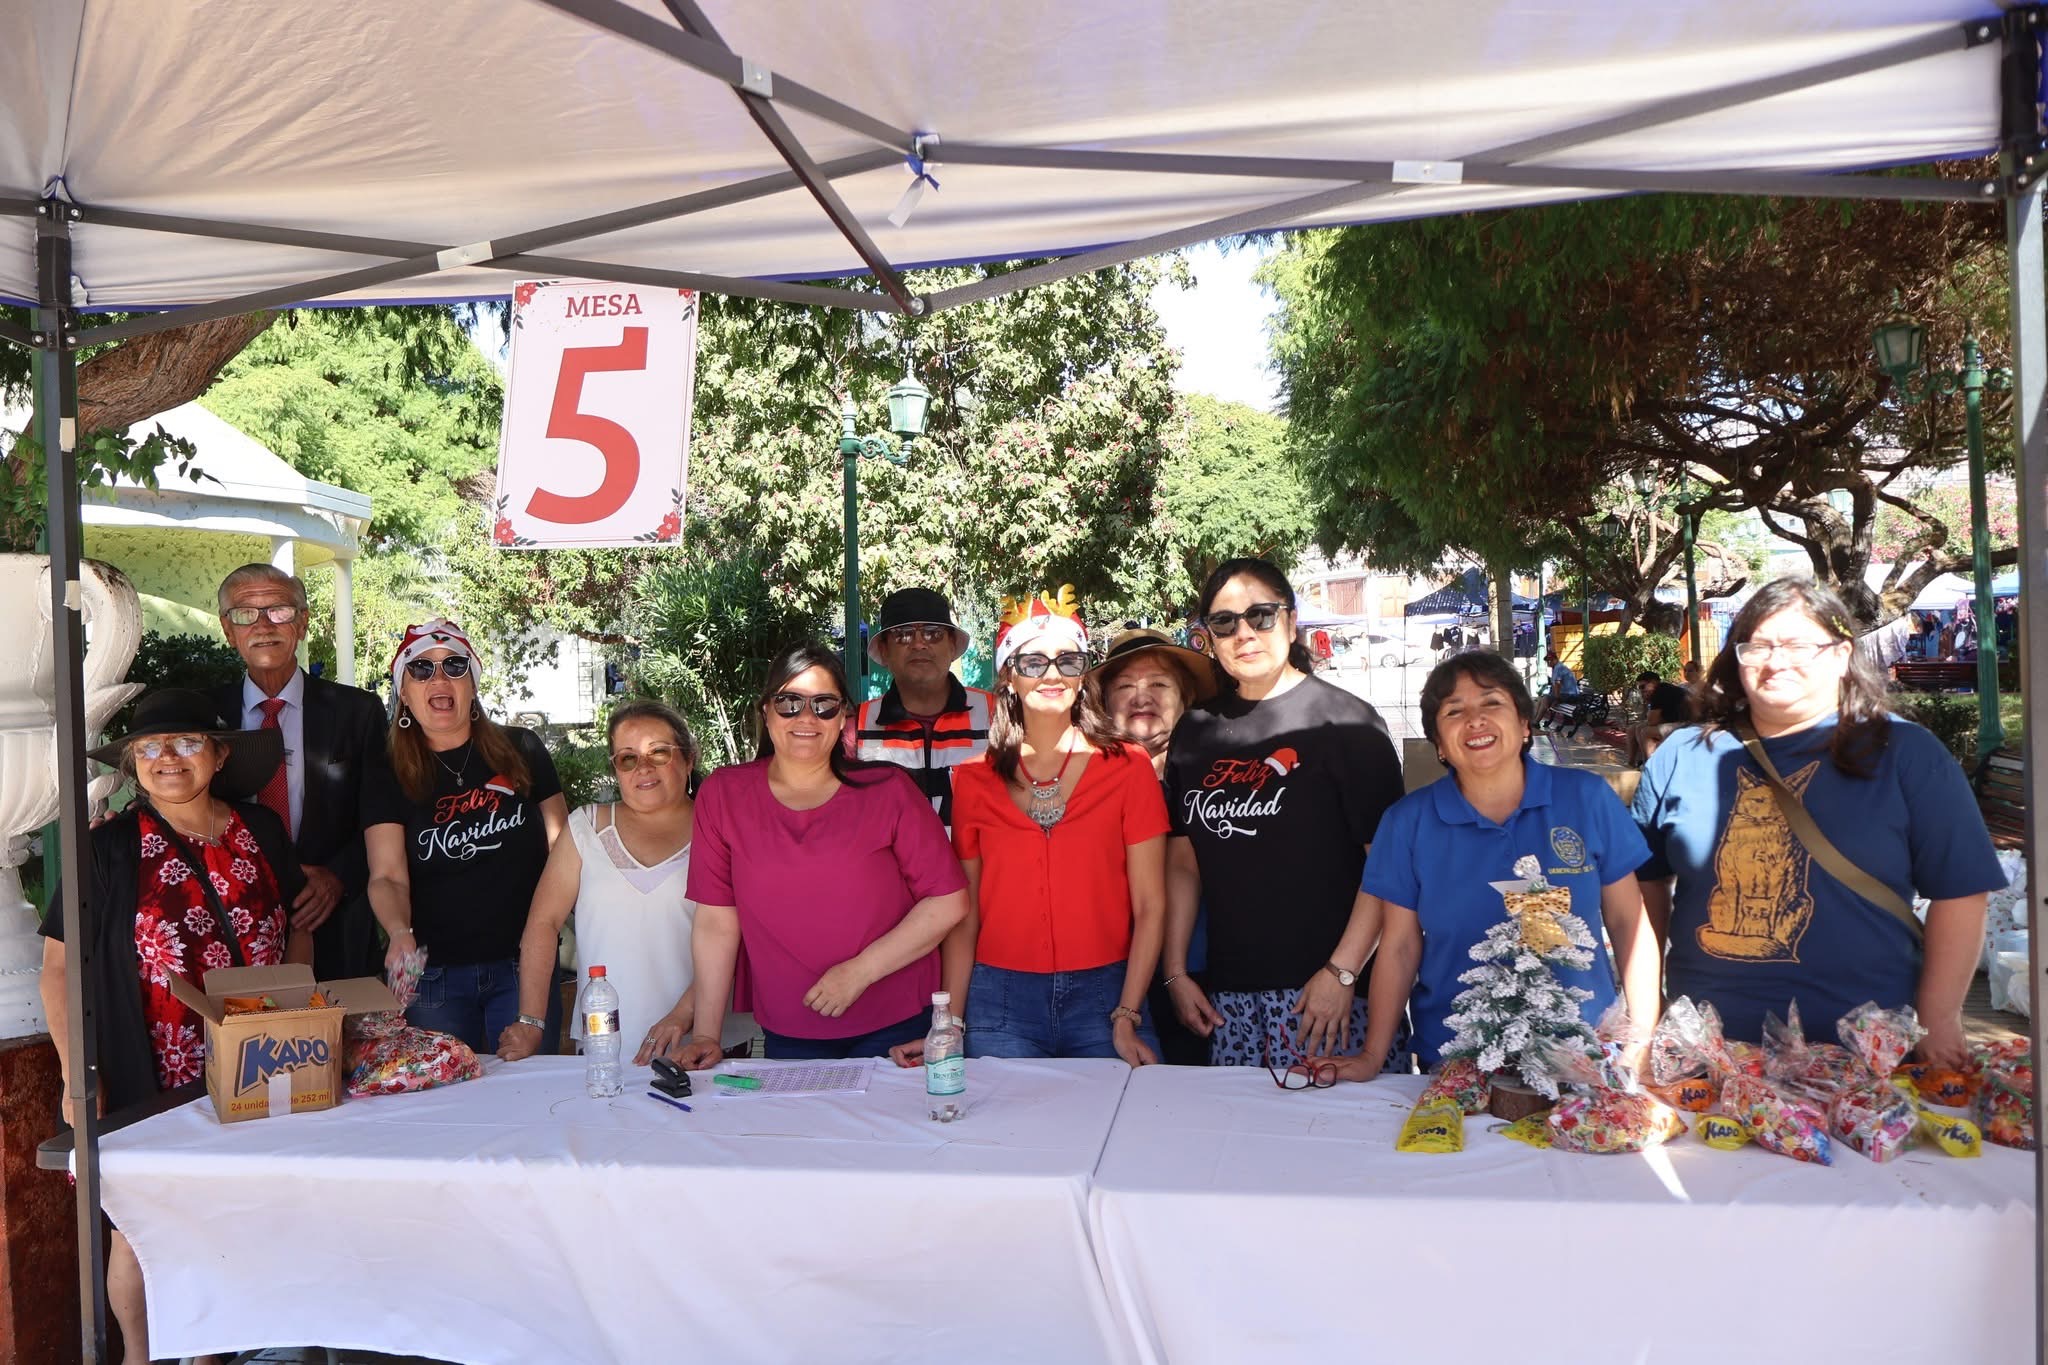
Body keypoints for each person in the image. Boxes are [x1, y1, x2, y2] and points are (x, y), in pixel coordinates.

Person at [39, 689, 309, 1365]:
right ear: (132, 762)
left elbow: (297, 928)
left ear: (218, 755)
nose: (168, 758)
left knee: (242, 1212)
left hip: (260, 1063)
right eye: (150, 748)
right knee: (141, 1226)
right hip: (147, 1067)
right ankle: (143, 1356)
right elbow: (58, 966)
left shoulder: (262, 830)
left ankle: (213, 1349)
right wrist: (79, 1071)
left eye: (187, 743)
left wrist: (302, 1019)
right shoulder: (105, 848)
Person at [1632, 578, 2005, 1065]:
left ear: (1840, 654)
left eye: (1799, 645)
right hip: (1710, 1049)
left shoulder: (1905, 753)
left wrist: (1940, 1018)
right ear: (1737, 657)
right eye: (1758, 645)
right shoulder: (1683, 754)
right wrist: (1646, 1014)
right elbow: (1642, 887)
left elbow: (1961, 891)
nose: (1777, 661)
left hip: (1871, 1050)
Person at [1320, 654, 1660, 1081]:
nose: (1475, 721)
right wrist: (1372, 1056)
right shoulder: (1408, 822)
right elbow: (1401, 946)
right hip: (1456, 1059)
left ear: (1524, 725)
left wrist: (1641, 1040)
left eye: (1491, 703)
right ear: (1440, 745)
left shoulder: (1588, 799)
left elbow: (1630, 922)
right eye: (1454, 711)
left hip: (1584, 1054)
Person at [895, 593, 1169, 1067]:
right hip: (999, 996)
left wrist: (1126, 1012)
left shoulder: (1129, 767)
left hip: (1107, 993)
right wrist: (950, 1024)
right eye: (1033, 661)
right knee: (1000, 1138)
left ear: (1083, 675)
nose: (1051, 674)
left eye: (1068, 660)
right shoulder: (973, 779)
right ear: (1008, 675)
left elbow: (1151, 905)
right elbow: (967, 915)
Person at [1162, 557, 1408, 1070]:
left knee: (1338, 1145)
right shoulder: (1195, 731)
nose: (1244, 633)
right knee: (1242, 1148)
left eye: (1261, 615)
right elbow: (1184, 865)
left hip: (1330, 997)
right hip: (1229, 999)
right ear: (1207, 636)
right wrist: (1177, 971)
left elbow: (1389, 871)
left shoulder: (1347, 724)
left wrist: (1342, 973)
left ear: (1292, 621)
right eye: (1224, 622)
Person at [674, 643, 969, 1066]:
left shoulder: (889, 791)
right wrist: (705, 1032)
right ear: (766, 712)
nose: (806, 718)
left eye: (824, 704)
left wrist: (860, 972)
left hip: (896, 1024)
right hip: (790, 1027)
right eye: (789, 702)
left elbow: (949, 900)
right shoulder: (723, 794)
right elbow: (717, 922)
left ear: (844, 715)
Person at [498, 701, 751, 1064]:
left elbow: (739, 936)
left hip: (708, 1042)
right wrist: (531, 1022)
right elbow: (542, 923)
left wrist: (684, 1014)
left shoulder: (723, 829)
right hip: (607, 1045)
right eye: (627, 758)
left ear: (689, 758)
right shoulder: (585, 827)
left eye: (659, 753)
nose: (643, 768)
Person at [363, 619, 568, 1053]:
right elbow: (387, 876)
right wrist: (399, 931)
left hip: (523, 967)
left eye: (454, 666)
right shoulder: (386, 775)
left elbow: (563, 848)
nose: (439, 678)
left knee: (527, 1098)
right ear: (404, 692)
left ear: (472, 683)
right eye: (421, 669)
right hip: (436, 977)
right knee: (445, 1107)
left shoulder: (523, 749)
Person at [210, 563, 392, 979]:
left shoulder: (356, 712)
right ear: (227, 630)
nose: (263, 625)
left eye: (279, 610)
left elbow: (382, 815)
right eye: (245, 613)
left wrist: (338, 878)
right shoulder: (206, 716)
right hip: (235, 926)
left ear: (303, 622)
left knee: (343, 1039)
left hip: (335, 922)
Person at [1092, 625, 1219, 1064]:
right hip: (1108, 975)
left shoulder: (1217, 778)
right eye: (1125, 686)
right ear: (1104, 704)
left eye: (1159, 685)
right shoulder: (1084, 780)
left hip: (1202, 974)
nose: (1140, 697)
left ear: (1185, 698)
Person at [851, 587, 993, 828]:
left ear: (951, 645)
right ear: (884, 651)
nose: (918, 644)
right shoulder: (854, 726)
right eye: (903, 635)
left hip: (978, 865)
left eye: (933, 634)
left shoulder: (998, 715)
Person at [1630, 667, 1697, 765]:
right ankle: (1632, 763)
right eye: (1639, 688)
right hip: (1681, 722)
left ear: (1653, 683)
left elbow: (1652, 720)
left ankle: (1650, 766)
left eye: (1642, 687)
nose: (1641, 691)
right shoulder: (1662, 690)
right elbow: (1655, 719)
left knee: (1645, 732)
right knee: (1635, 728)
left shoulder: (1661, 691)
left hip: (1691, 724)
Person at [1535, 650, 1578, 727]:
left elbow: (1557, 684)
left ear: (1555, 659)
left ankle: (1536, 721)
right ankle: (1535, 720)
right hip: (1565, 694)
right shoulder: (1556, 668)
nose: (1549, 662)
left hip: (1569, 695)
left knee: (1545, 699)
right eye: (1547, 660)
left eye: (1550, 660)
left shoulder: (1559, 668)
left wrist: (1557, 698)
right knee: (1541, 698)